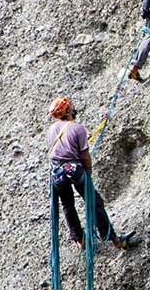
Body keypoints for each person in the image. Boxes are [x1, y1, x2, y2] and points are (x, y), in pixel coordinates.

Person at [46, 95, 119, 247]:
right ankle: (112, 237)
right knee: (93, 201)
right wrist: (88, 171)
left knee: (67, 205)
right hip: (74, 169)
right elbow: (85, 156)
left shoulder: (51, 130)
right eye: (70, 106)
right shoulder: (78, 129)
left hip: (56, 172)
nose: (73, 107)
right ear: (67, 110)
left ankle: (79, 240)